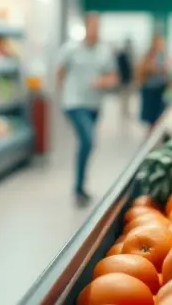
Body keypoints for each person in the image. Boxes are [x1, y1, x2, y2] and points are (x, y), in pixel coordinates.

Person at [56, 12, 118, 206]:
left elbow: (114, 78)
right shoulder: (70, 49)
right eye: (92, 26)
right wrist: (64, 96)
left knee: (86, 143)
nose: (95, 30)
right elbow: (60, 73)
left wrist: (103, 81)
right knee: (88, 140)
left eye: (97, 26)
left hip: (94, 105)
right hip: (74, 103)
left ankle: (81, 185)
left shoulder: (105, 51)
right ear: (85, 27)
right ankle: (79, 188)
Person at [137, 33, 169, 128]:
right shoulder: (148, 57)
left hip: (160, 90)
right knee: (152, 118)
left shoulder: (162, 56)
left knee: (158, 118)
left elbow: (165, 72)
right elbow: (144, 70)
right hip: (150, 91)